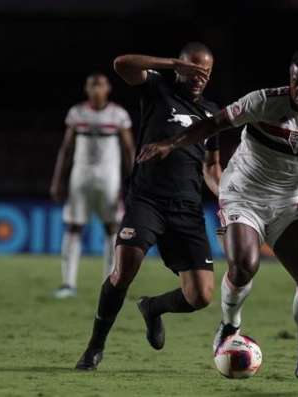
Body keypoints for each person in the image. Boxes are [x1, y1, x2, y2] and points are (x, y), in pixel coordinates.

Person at [139, 47, 298, 382]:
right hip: (241, 195)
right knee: (244, 265)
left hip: (287, 203)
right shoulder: (262, 102)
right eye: (296, 82)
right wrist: (171, 144)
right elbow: (212, 124)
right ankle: (229, 325)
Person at [75, 42, 222, 370]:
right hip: (148, 199)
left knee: (201, 296)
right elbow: (121, 63)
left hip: (187, 208)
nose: (200, 76)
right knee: (124, 266)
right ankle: (95, 346)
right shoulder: (158, 89)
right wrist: (171, 64)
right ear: (182, 66)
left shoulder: (212, 112)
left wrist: (225, 199)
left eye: (206, 71)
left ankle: (153, 308)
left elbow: (212, 167)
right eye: (194, 68)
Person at [50, 73, 135, 299]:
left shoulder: (118, 115)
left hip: (109, 179)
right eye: (92, 85)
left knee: (111, 228)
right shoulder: (77, 113)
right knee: (73, 227)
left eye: (100, 85)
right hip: (80, 178)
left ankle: (110, 283)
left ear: (108, 89)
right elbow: (66, 148)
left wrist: (135, 179)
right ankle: (68, 283)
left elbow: (129, 150)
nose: (96, 89)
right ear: (87, 89)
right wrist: (58, 180)